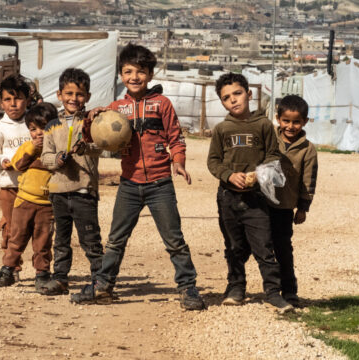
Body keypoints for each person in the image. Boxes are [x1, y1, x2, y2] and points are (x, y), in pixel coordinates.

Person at [74, 43, 205, 311]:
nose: (135, 77)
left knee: (174, 240)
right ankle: (103, 286)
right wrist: (91, 118)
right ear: (121, 75)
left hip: (160, 185)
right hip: (129, 185)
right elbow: (90, 138)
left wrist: (178, 162)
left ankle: (188, 287)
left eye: (141, 71)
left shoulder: (162, 104)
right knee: (115, 240)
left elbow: (176, 138)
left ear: (151, 74)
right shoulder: (115, 109)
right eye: (128, 71)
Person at [207, 72, 293, 313]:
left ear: (249, 94)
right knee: (233, 246)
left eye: (237, 93)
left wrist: (259, 173)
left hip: (256, 199)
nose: (233, 100)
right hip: (228, 198)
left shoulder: (263, 125)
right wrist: (228, 175)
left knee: (264, 246)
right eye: (226, 97)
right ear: (222, 102)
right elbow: (213, 162)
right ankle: (236, 288)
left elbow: (273, 155)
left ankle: (273, 293)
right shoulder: (222, 129)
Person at [40, 68, 104, 297]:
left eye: (79, 94)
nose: (73, 99)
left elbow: (101, 147)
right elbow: (45, 157)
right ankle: (60, 279)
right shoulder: (51, 126)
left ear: (87, 97)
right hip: (58, 190)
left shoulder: (91, 122)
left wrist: (85, 147)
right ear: (59, 95)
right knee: (61, 240)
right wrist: (56, 160)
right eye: (68, 93)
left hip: (84, 190)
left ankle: (100, 280)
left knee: (90, 239)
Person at [0, 102, 58, 291]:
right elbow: (18, 165)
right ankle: (7, 269)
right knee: (17, 238)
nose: (39, 133)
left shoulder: (56, 149)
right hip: (24, 202)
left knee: (43, 241)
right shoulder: (27, 147)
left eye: (44, 128)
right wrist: (32, 149)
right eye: (33, 129)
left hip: (47, 205)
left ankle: (42, 274)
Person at [270, 95, 318, 307]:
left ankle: (289, 291)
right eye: (286, 121)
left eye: (296, 121)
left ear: (305, 121)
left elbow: (308, 180)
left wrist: (303, 208)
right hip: (262, 205)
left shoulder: (308, 149)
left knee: (283, 250)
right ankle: (239, 286)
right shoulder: (269, 139)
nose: (290, 126)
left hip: (285, 207)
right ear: (278, 119)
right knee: (255, 247)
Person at [0, 74, 32, 278]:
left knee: (35, 227)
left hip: (33, 188)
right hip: (9, 187)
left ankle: (42, 266)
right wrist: (2, 161)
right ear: (1, 102)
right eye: (7, 99)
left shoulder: (33, 124)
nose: (13, 104)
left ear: (27, 100)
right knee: (10, 227)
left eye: (18, 98)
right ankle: (11, 265)